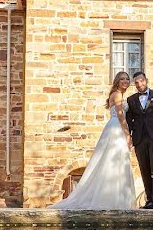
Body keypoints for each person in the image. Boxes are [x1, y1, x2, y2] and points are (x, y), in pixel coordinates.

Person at [49, 72, 137, 210]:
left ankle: (115, 197)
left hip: (113, 127)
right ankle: (113, 199)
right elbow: (121, 116)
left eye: (127, 78)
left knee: (113, 161)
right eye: (122, 79)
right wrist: (128, 135)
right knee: (115, 160)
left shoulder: (116, 94)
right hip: (117, 128)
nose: (125, 81)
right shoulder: (118, 94)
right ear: (117, 81)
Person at [126, 72, 153, 209]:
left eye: (141, 81)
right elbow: (128, 120)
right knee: (144, 169)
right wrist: (130, 136)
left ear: (146, 81)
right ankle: (149, 200)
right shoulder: (131, 99)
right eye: (137, 83)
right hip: (139, 139)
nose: (139, 85)